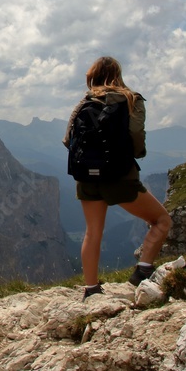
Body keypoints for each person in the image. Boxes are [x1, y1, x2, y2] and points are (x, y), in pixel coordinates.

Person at [62, 56, 172, 300]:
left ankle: (91, 289)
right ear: (118, 75)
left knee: (92, 232)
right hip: (119, 176)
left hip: (86, 178)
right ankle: (143, 271)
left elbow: (68, 140)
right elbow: (136, 134)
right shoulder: (132, 99)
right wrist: (134, 154)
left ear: (93, 77)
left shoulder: (83, 104)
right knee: (161, 220)